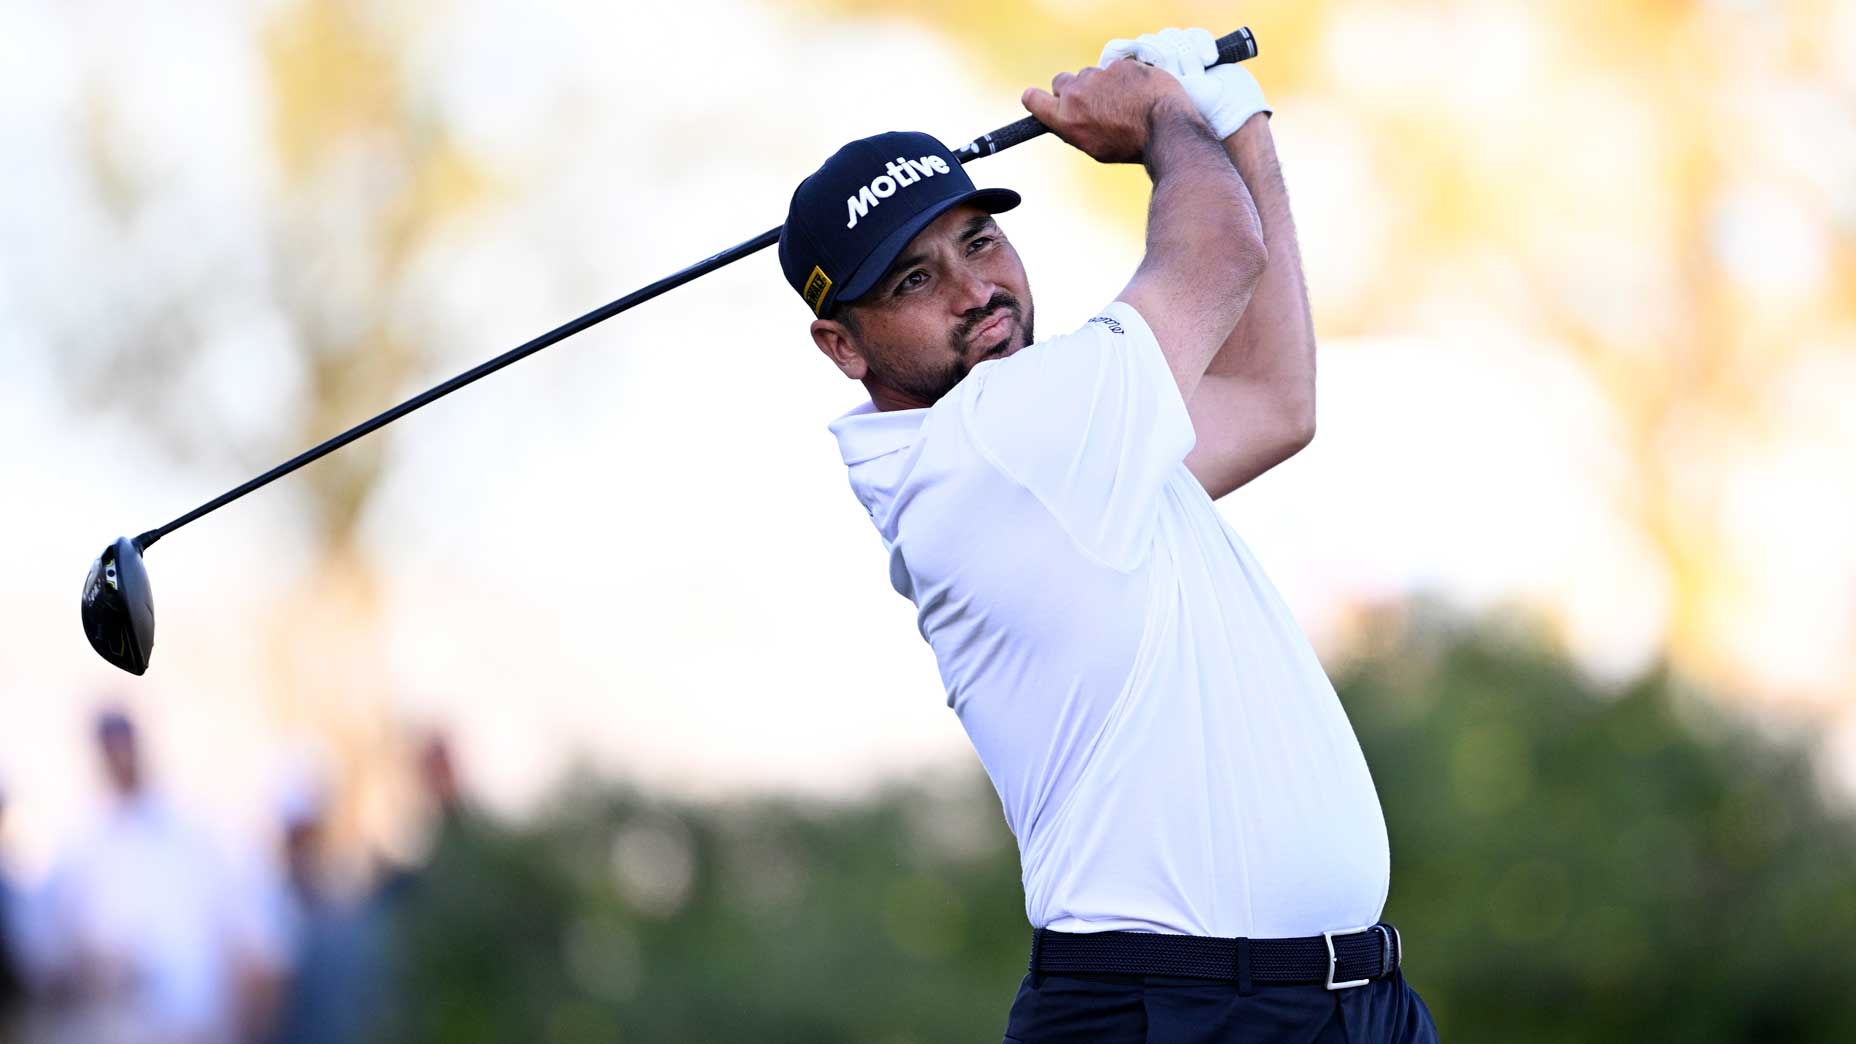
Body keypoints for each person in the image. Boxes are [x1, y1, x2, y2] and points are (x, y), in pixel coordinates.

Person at [779, 26, 1436, 1042]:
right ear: (840, 343)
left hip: (1336, 1003)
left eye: (979, 241)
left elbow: (1271, 398)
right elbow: (1217, 254)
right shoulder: (991, 442)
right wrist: (1171, 117)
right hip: (1173, 1012)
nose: (974, 290)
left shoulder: (1070, 450)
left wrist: (1237, 118)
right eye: (913, 281)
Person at [32, 709, 286, 1044]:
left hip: (199, 1029)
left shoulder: (194, 829)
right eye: (111, 748)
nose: (121, 757)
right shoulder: (79, 845)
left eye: (126, 744)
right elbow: (54, 951)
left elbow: (251, 942)